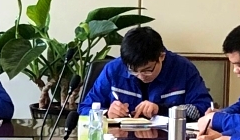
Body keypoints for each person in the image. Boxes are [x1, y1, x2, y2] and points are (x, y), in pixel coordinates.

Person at [80, 26, 214, 120]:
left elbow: (203, 108)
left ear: (161, 57)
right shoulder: (113, 70)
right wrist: (106, 113)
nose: (140, 76)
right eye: (133, 71)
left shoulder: (183, 69)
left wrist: (161, 109)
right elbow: (84, 108)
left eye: (147, 70)